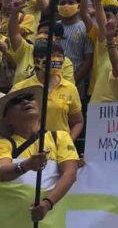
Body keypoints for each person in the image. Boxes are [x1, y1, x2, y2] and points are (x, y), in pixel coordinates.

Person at [0, 86, 78, 223]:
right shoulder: (4, 144)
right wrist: (26, 165)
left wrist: (47, 204)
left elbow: (70, 174)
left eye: (30, 98)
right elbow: (2, 172)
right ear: (6, 119)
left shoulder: (59, 137)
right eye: (17, 101)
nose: (25, 102)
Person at [11, 41, 83, 140]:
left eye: (59, 56)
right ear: (36, 60)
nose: (56, 59)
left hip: (60, 149)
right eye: (52, 56)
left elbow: (77, 122)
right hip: (30, 147)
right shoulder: (21, 88)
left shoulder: (70, 88)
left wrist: (68, 142)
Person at [55, 0, 93, 92]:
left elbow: (88, 60)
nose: (66, 5)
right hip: (51, 78)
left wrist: (72, 82)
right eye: (62, 3)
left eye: (71, 3)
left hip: (76, 82)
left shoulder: (86, 28)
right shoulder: (52, 27)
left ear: (79, 6)